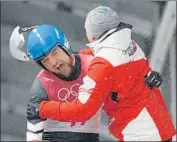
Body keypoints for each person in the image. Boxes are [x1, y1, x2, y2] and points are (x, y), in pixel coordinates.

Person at [26, 6, 174, 141]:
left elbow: (83, 110)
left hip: (142, 133)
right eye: (45, 60)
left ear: (92, 35)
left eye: (55, 52)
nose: (53, 63)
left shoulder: (102, 66)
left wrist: (42, 108)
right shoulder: (130, 44)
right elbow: (132, 67)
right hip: (160, 126)